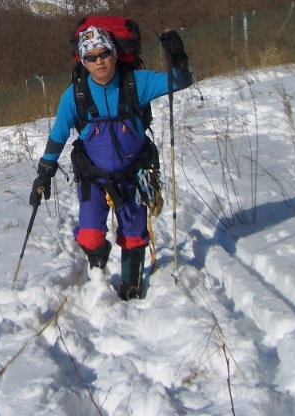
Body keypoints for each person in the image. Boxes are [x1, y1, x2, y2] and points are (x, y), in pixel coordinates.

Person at [29, 25, 193, 299]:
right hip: (94, 178)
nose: (98, 61)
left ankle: (131, 286)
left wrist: (179, 59)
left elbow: (180, 82)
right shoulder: (75, 95)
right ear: (83, 61)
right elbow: (58, 134)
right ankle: (98, 269)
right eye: (91, 57)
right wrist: (44, 172)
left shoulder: (136, 83)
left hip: (134, 175)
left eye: (103, 53)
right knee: (90, 236)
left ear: (114, 54)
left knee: (134, 235)